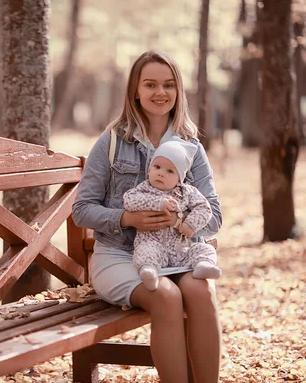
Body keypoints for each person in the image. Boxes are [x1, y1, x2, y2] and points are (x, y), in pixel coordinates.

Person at [72, 50, 222, 383]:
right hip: (119, 256)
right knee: (166, 297)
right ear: (135, 91)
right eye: (150, 84)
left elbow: (214, 215)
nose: (160, 92)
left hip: (176, 254)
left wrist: (182, 220)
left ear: (178, 91)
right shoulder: (112, 141)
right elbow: (81, 209)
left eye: (169, 85)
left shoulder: (190, 146)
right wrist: (127, 219)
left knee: (201, 292)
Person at [123, 138, 221, 291]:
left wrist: (190, 224)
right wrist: (158, 203)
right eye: (157, 167)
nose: (161, 173)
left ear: (179, 179)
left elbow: (205, 208)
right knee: (145, 252)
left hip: (181, 249)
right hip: (152, 243)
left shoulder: (187, 192)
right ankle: (149, 272)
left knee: (204, 248)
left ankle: (203, 266)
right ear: (149, 170)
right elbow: (129, 200)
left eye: (169, 171)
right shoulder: (144, 189)